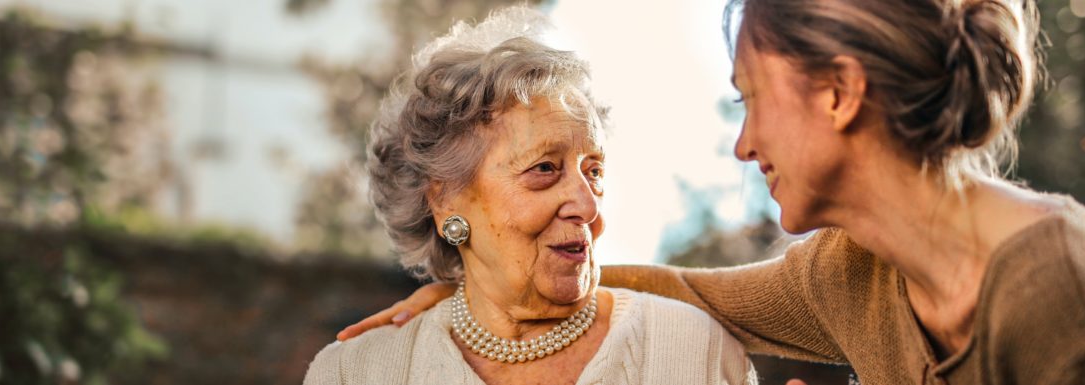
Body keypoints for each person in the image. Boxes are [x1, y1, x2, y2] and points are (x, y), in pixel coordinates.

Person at [337, 0, 1085, 383]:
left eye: (750, 97)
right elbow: (689, 289)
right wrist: (470, 287)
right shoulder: (855, 272)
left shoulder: (1066, 301)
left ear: (840, 93)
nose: (743, 142)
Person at [303, 8, 756, 385]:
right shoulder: (353, 373)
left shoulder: (696, 352)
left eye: (593, 171)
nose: (588, 206)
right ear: (445, 202)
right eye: (544, 169)